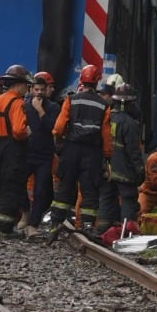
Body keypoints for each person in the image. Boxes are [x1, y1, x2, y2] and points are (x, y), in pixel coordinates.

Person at [50, 64, 111, 231]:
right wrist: (106, 155)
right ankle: (88, 225)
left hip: (71, 149)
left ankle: (56, 223)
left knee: (65, 186)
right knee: (89, 188)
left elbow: (60, 126)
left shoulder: (71, 100)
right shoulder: (103, 105)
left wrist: (59, 139)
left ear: (82, 80)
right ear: (97, 81)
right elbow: (106, 134)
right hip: (92, 153)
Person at [0, 65, 32, 236]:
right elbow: (19, 130)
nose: (26, 89)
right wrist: (27, 132)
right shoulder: (18, 103)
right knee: (12, 188)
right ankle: (5, 228)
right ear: (19, 85)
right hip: (13, 150)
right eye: (26, 86)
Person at [104, 82, 146, 240]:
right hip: (124, 171)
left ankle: (104, 232)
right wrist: (140, 170)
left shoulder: (107, 118)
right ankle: (126, 236)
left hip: (108, 170)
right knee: (128, 200)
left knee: (107, 200)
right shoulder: (129, 123)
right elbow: (133, 151)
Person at [25, 71, 58, 226]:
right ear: (31, 89)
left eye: (42, 90)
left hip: (44, 155)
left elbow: (51, 126)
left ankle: (33, 224)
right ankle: (25, 213)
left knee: (40, 191)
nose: (39, 93)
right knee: (17, 184)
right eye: (36, 90)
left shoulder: (52, 107)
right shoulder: (25, 106)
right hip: (27, 153)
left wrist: (40, 110)